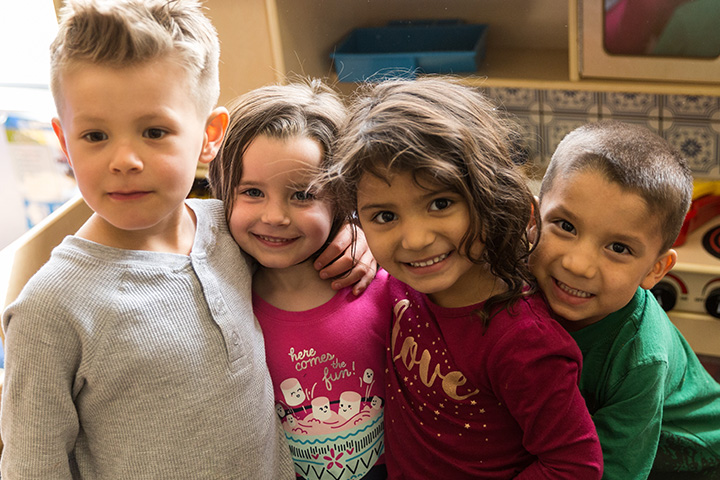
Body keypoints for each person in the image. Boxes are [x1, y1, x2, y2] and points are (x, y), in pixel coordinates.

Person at [0, 1, 372, 478]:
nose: (125, 160)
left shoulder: (231, 228)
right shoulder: (49, 308)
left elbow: (297, 224)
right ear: (63, 141)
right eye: (94, 135)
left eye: (154, 131)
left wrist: (352, 231)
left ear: (209, 135)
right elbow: (32, 465)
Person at [322, 77, 603, 479]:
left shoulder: (525, 342)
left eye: (440, 203)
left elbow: (575, 465)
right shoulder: (404, 277)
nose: (415, 240)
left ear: (491, 194)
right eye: (385, 216)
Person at [208, 79, 390, 480]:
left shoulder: (382, 288)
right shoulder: (219, 297)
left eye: (303, 195)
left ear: (342, 197)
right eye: (252, 192)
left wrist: (367, 233)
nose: (275, 216)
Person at [529, 120, 720, 480]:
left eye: (618, 248)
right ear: (532, 219)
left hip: (694, 455)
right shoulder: (520, 280)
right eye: (566, 226)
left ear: (655, 270)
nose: (578, 265)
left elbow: (614, 469)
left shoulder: (641, 356)